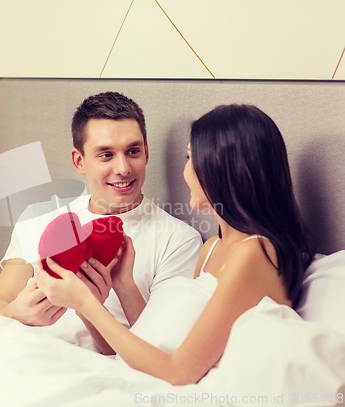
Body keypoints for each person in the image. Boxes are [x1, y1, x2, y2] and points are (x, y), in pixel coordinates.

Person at [35, 104, 316, 383]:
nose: (185, 171)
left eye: (191, 158)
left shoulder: (254, 253)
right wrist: (124, 284)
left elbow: (179, 371)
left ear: (220, 169)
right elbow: (165, 342)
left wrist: (85, 303)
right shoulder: (212, 249)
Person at [0, 91, 202, 353]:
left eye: (133, 151)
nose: (123, 168)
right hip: (21, 358)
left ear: (146, 152)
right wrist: (15, 312)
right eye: (106, 155)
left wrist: (99, 302)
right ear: (79, 161)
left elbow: (157, 351)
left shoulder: (178, 240)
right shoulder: (40, 219)